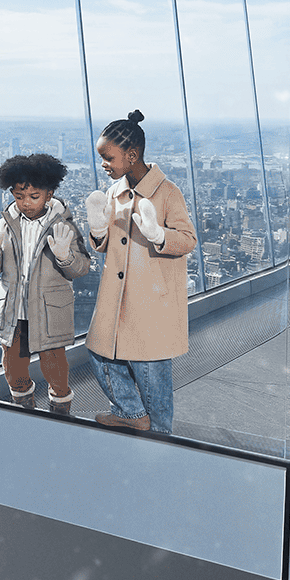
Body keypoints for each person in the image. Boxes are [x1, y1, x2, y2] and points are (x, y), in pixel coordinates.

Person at [82, 111, 197, 432]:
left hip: (151, 301)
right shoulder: (113, 193)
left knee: (151, 376)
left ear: (131, 156)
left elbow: (188, 240)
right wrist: (97, 229)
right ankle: (132, 415)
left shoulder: (168, 193)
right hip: (116, 299)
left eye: (108, 158)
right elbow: (104, 245)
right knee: (102, 354)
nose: (103, 164)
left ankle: (161, 433)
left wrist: (159, 235)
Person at [0, 153, 90, 415]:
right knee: (13, 368)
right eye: (19, 196)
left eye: (34, 196)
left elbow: (81, 269)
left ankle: (60, 413)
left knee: (55, 370)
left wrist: (65, 256)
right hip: (14, 311)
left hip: (48, 311)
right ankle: (23, 412)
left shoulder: (65, 226)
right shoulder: (5, 225)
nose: (26, 203)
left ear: (49, 194)